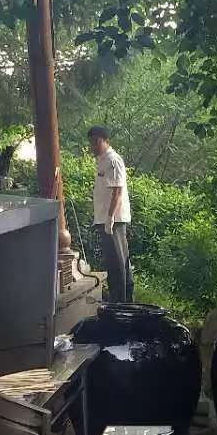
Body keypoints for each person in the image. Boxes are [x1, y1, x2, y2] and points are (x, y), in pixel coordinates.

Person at [88, 126, 133, 303]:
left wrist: (110, 218)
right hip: (105, 219)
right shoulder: (101, 160)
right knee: (117, 261)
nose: (93, 145)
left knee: (117, 264)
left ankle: (120, 303)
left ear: (105, 140)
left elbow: (117, 192)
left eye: (96, 141)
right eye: (91, 142)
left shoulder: (113, 160)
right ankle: (125, 302)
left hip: (113, 220)